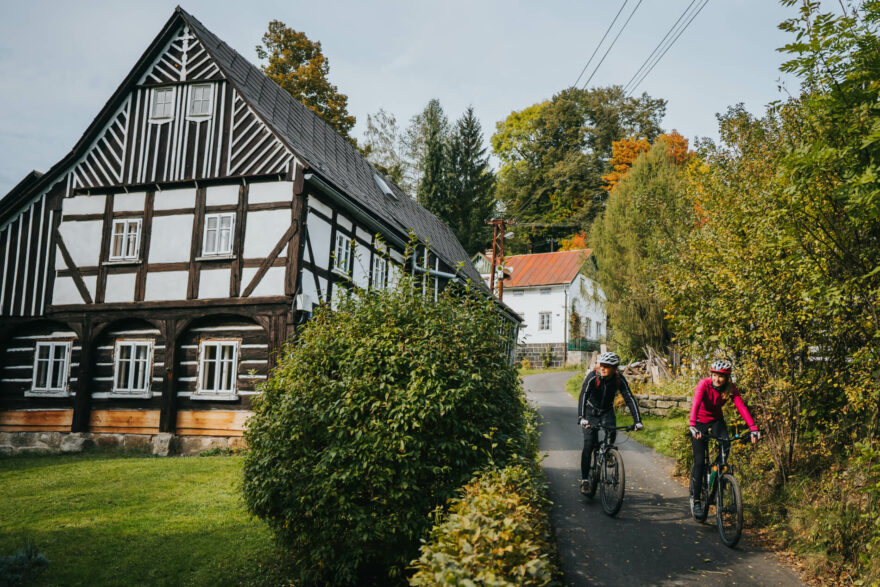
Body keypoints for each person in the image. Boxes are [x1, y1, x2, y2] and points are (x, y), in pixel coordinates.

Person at [688, 360, 760, 518]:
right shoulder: (703, 384)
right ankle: (697, 501)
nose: (716, 379)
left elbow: (741, 406)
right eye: (714, 375)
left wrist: (753, 428)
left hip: (717, 421)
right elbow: (696, 403)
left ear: (727, 378)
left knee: (725, 450)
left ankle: (716, 478)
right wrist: (692, 425)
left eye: (720, 376)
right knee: (700, 461)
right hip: (699, 421)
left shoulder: (730, 388)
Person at [577, 351, 643, 495]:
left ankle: (607, 454)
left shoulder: (619, 379)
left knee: (612, 431)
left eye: (607, 366)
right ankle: (585, 480)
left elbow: (629, 398)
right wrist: (582, 417)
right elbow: (583, 395)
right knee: (589, 443)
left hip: (606, 411)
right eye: (602, 365)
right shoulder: (593, 376)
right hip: (590, 411)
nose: (603, 368)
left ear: (614, 368)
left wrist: (637, 421)